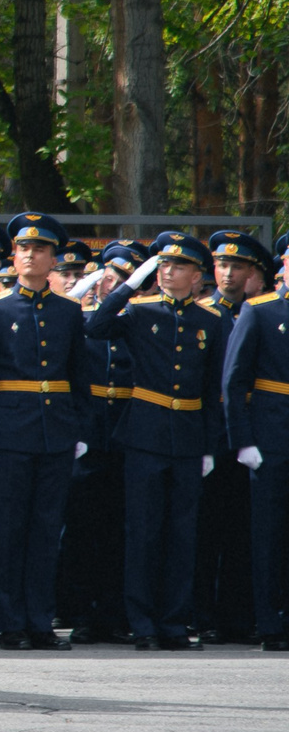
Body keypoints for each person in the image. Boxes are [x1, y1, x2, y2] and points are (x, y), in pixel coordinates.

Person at [84, 230, 226, 649]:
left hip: (187, 435)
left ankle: (173, 622)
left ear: (197, 276)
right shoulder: (141, 311)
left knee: (181, 535)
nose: (167, 271)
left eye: (178, 266)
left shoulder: (212, 321)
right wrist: (128, 285)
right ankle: (143, 622)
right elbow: (96, 325)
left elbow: (213, 387)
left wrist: (209, 446)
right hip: (144, 433)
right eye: (163, 265)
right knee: (143, 532)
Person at [0, 212, 91, 649]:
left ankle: (39, 620)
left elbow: (79, 375)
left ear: (53, 257)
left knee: (45, 531)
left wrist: (79, 428)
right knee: (9, 531)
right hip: (8, 431)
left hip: (54, 430)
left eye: (40, 249)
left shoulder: (69, 311)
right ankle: (9, 622)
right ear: (13, 257)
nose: (31, 255)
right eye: (24, 249)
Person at [221, 235, 289, 652]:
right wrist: (243, 440)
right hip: (271, 435)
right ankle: (271, 622)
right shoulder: (260, 310)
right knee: (269, 536)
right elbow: (235, 379)